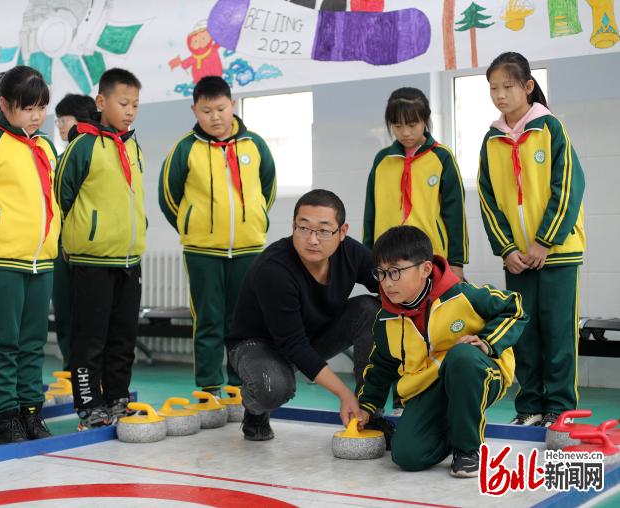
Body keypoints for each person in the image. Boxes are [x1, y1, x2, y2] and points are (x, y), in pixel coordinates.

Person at [357, 225, 527, 477]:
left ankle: (467, 449)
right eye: (381, 273)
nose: (387, 282)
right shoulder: (385, 319)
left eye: (395, 272)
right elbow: (381, 366)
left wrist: (487, 341)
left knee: (461, 357)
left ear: (425, 269)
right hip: (428, 388)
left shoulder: (462, 295)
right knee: (407, 456)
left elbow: (514, 308)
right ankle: (452, 427)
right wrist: (366, 407)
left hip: (478, 374)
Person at [478, 52, 586, 428]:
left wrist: (545, 242)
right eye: (493, 88)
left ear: (527, 86)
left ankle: (560, 409)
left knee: (558, 335)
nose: (500, 95)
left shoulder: (550, 128)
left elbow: (569, 187)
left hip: (557, 254)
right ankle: (529, 407)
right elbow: (487, 199)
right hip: (518, 259)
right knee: (524, 335)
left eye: (507, 86)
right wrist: (507, 249)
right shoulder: (491, 140)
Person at [226, 189, 381, 441]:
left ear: (342, 232)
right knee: (272, 386)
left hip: (312, 336)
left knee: (370, 310)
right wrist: (344, 394)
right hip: (257, 344)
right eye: (304, 228)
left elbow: (391, 287)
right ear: (293, 226)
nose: (312, 240)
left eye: (323, 230)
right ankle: (255, 410)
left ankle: (369, 413)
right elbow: (293, 345)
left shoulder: (351, 253)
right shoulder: (274, 269)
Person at [0, 65, 60, 445]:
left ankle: (30, 412)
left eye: (41, 107)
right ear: (4, 103)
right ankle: (5, 418)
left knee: (33, 342)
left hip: (41, 260)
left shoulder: (46, 145)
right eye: (27, 107)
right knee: (2, 343)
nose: (36, 115)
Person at [159, 75, 275, 396]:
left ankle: (240, 385)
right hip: (202, 251)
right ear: (195, 110)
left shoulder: (255, 145)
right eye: (206, 111)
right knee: (208, 320)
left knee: (244, 322)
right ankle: (209, 388)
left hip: (249, 249)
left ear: (232, 105)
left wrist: (254, 219)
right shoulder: (185, 149)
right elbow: (168, 196)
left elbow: (267, 190)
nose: (215, 117)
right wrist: (192, 225)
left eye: (221, 109)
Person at [363, 87, 468, 416]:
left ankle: (437, 401)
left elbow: (455, 213)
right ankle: (400, 402)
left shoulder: (442, 158)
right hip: (390, 269)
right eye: (398, 125)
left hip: (427, 267)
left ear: (426, 121)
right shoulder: (382, 161)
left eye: (413, 124)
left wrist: (456, 262)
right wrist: (371, 259)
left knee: (430, 333)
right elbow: (371, 211)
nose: (406, 132)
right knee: (397, 334)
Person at [56, 68, 146, 430]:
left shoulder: (133, 144)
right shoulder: (83, 145)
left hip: (129, 258)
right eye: (123, 103)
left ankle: (118, 398)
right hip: (91, 259)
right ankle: (89, 405)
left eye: (136, 104)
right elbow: (61, 195)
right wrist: (76, 236)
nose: (130, 111)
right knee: (90, 339)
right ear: (101, 102)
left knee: (123, 336)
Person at [52, 94, 98, 371]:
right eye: (57, 119)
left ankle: (90, 370)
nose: (58, 125)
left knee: (89, 315)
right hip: (60, 246)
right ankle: (71, 367)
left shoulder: (96, 152)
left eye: (63, 120)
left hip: (88, 248)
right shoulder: (59, 157)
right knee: (65, 311)